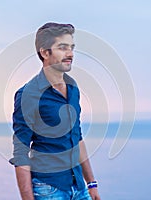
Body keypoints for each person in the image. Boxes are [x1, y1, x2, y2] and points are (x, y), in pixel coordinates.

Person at [9, 22, 101, 200]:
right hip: (49, 189)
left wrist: (91, 183)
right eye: (63, 48)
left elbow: (77, 138)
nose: (70, 54)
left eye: (71, 48)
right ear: (45, 52)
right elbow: (21, 153)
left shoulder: (73, 88)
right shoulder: (27, 94)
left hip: (79, 188)